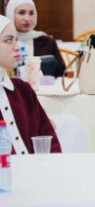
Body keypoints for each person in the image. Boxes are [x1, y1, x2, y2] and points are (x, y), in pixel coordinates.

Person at [0, 15, 62, 155]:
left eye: (16, 40)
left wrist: (53, 165)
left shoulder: (23, 90)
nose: (17, 48)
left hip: (37, 167)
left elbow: (49, 140)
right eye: (8, 40)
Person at [5, 0, 65, 77]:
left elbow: (62, 73)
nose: (27, 19)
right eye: (21, 13)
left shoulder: (47, 42)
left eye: (31, 13)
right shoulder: (4, 42)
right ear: (11, 14)